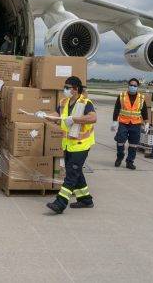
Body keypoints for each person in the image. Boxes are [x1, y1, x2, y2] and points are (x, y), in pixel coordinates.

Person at [37, 76, 97, 214]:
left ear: (76, 89)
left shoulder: (85, 102)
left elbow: (93, 118)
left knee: (71, 173)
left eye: (68, 87)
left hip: (81, 144)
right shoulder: (64, 101)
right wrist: (44, 115)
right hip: (68, 144)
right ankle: (85, 200)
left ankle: (60, 203)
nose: (65, 90)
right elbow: (57, 115)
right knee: (75, 171)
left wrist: (74, 119)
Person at [112, 78, 149, 170]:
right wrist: (114, 121)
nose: (133, 87)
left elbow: (144, 111)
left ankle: (130, 161)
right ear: (128, 86)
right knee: (120, 142)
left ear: (137, 87)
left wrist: (146, 122)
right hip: (123, 123)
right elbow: (117, 109)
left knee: (133, 144)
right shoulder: (122, 96)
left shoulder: (141, 98)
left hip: (136, 124)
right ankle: (120, 157)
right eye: (131, 85)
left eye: (135, 86)